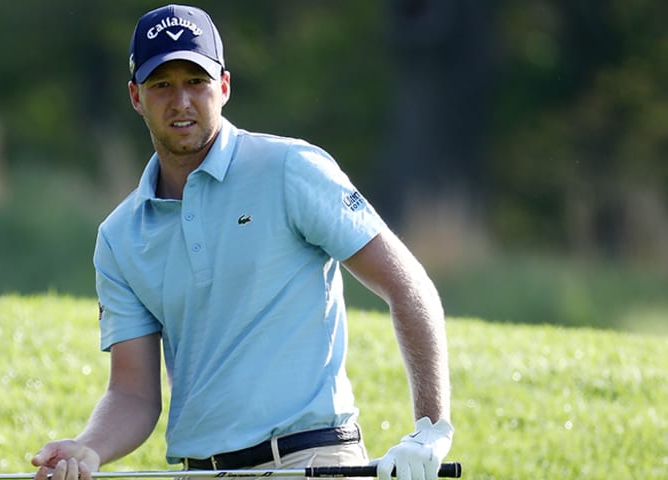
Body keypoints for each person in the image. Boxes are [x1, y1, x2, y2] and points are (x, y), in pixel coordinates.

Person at [32, 4, 453, 480]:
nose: (182, 101)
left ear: (224, 86)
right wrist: (89, 448)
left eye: (196, 81)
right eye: (162, 85)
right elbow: (133, 394)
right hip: (201, 471)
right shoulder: (120, 237)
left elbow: (406, 284)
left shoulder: (290, 170)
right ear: (135, 96)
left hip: (311, 461)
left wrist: (429, 428)